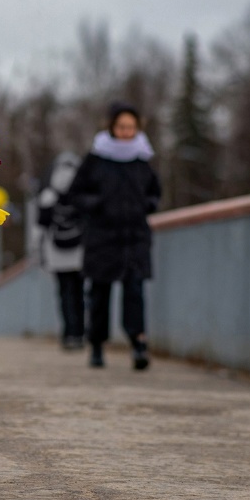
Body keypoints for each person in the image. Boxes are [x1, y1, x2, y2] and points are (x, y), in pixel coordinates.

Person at [68, 102, 162, 370]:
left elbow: (155, 191)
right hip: (102, 237)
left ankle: (139, 344)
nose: (126, 132)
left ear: (137, 128)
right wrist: (96, 204)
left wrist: (148, 205)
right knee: (99, 293)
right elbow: (75, 194)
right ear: (112, 127)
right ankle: (96, 346)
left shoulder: (142, 158)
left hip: (134, 235)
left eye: (131, 127)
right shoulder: (96, 158)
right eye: (121, 127)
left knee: (135, 290)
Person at [36, 152, 86, 350]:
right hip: (80, 251)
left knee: (65, 293)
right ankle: (80, 333)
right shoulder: (83, 195)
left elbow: (41, 224)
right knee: (80, 292)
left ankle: (69, 334)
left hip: (56, 252)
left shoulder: (48, 195)